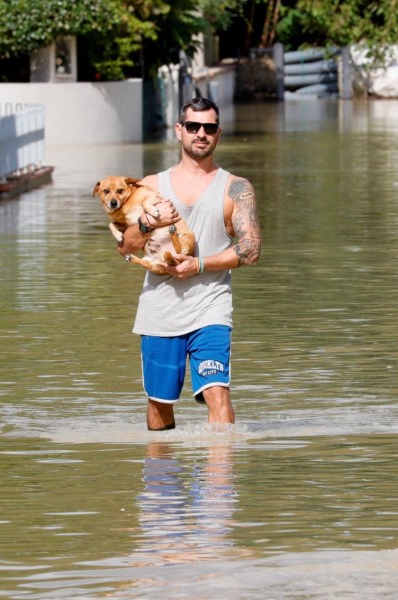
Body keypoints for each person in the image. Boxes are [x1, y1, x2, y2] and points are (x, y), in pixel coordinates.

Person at [118, 97, 261, 431]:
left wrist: (198, 265)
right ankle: (161, 481)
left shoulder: (236, 188)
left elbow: (251, 249)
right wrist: (147, 223)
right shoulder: (150, 186)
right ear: (179, 131)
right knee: (159, 406)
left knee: (218, 394)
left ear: (218, 134)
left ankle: (220, 482)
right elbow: (125, 248)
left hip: (210, 308)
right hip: (160, 311)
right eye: (193, 126)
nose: (201, 134)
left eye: (209, 128)